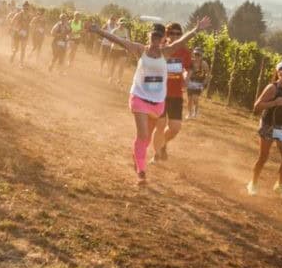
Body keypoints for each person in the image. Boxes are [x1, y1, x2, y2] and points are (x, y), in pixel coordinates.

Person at [86, 16, 209, 185]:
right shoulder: (139, 49)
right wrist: (99, 30)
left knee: (146, 138)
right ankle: (141, 172)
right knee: (143, 135)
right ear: (149, 36)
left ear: (162, 39)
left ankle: (137, 158)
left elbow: (181, 41)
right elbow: (118, 39)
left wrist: (196, 29)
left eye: (159, 37)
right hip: (139, 97)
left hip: (157, 102)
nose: (156, 40)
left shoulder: (166, 52)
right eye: (154, 36)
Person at [248, 60, 282, 198]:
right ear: (278, 73)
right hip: (269, 126)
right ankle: (253, 183)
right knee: (263, 157)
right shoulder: (272, 88)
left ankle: (279, 185)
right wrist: (274, 102)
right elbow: (256, 107)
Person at [151, 22, 192, 162]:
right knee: (160, 126)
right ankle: (156, 155)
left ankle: (162, 145)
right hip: (160, 94)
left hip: (176, 95)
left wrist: (186, 77)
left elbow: (188, 68)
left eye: (178, 33)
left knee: (175, 128)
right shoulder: (161, 49)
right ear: (166, 35)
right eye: (172, 33)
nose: (175, 36)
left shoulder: (185, 52)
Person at [186, 47, 210, 119]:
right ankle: (189, 114)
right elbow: (189, 73)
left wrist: (205, 83)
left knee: (195, 98)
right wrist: (187, 80)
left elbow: (208, 74)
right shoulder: (191, 63)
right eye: (195, 54)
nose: (197, 56)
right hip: (191, 82)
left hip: (199, 83)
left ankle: (195, 113)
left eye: (198, 55)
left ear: (202, 56)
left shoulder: (204, 64)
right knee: (189, 99)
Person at [8, 2, 32, 66]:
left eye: (27, 8)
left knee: (23, 49)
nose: (26, 9)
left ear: (28, 8)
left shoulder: (30, 16)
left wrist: (29, 30)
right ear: (23, 7)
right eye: (25, 7)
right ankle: (13, 55)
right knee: (16, 48)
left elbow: (31, 25)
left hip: (25, 33)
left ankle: (21, 63)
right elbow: (12, 21)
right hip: (17, 32)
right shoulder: (19, 14)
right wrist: (12, 28)